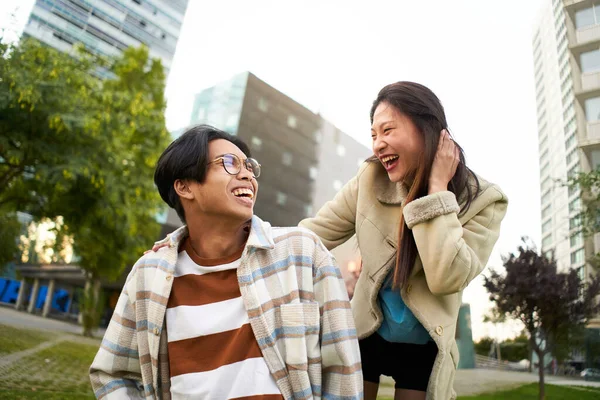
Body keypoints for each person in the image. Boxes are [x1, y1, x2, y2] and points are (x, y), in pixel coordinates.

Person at [89, 125, 362, 400]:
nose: (246, 175)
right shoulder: (150, 274)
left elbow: (343, 370)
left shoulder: (303, 253)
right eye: (229, 163)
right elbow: (113, 374)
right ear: (184, 186)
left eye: (249, 166)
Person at [299, 82, 508, 400]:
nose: (378, 145)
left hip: (425, 345)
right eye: (373, 135)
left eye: (387, 130)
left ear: (429, 130)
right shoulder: (369, 179)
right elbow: (311, 235)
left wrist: (437, 189)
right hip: (366, 332)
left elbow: (446, 276)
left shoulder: (484, 199)